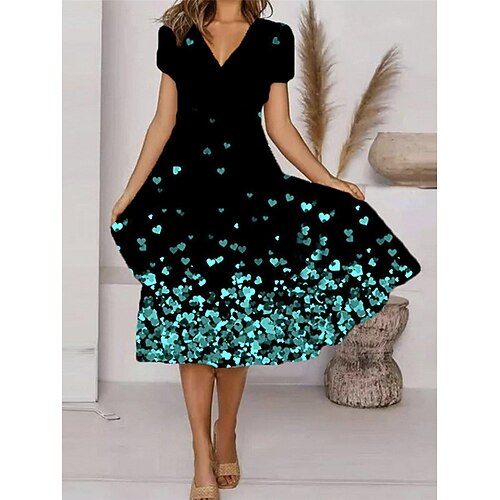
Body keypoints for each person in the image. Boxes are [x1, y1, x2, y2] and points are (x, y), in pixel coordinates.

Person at [109, 1, 421, 498]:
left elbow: (280, 127)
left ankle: (226, 432)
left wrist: (327, 180)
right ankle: (201, 455)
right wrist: (130, 192)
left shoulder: (274, 37)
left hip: (251, 198)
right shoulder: (178, 33)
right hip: (184, 198)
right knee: (191, 329)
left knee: (239, 328)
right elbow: (163, 121)